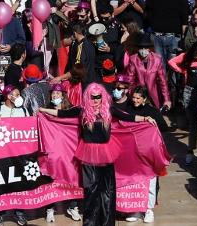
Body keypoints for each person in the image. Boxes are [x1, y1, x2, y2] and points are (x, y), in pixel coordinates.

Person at [38, 81, 158, 226]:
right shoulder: (82, 111)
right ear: (88, 97)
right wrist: (42, 110)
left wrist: (145, 118)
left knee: (107, 190)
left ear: (103, 97)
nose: (95, 100)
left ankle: (107, 222)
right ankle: (90, 223)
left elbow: (128, 117)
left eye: (98, 97)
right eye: (93, 97)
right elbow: (61, 113)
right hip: (88, 155)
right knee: (90, 190)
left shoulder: (109, 110)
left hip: (106, 153)